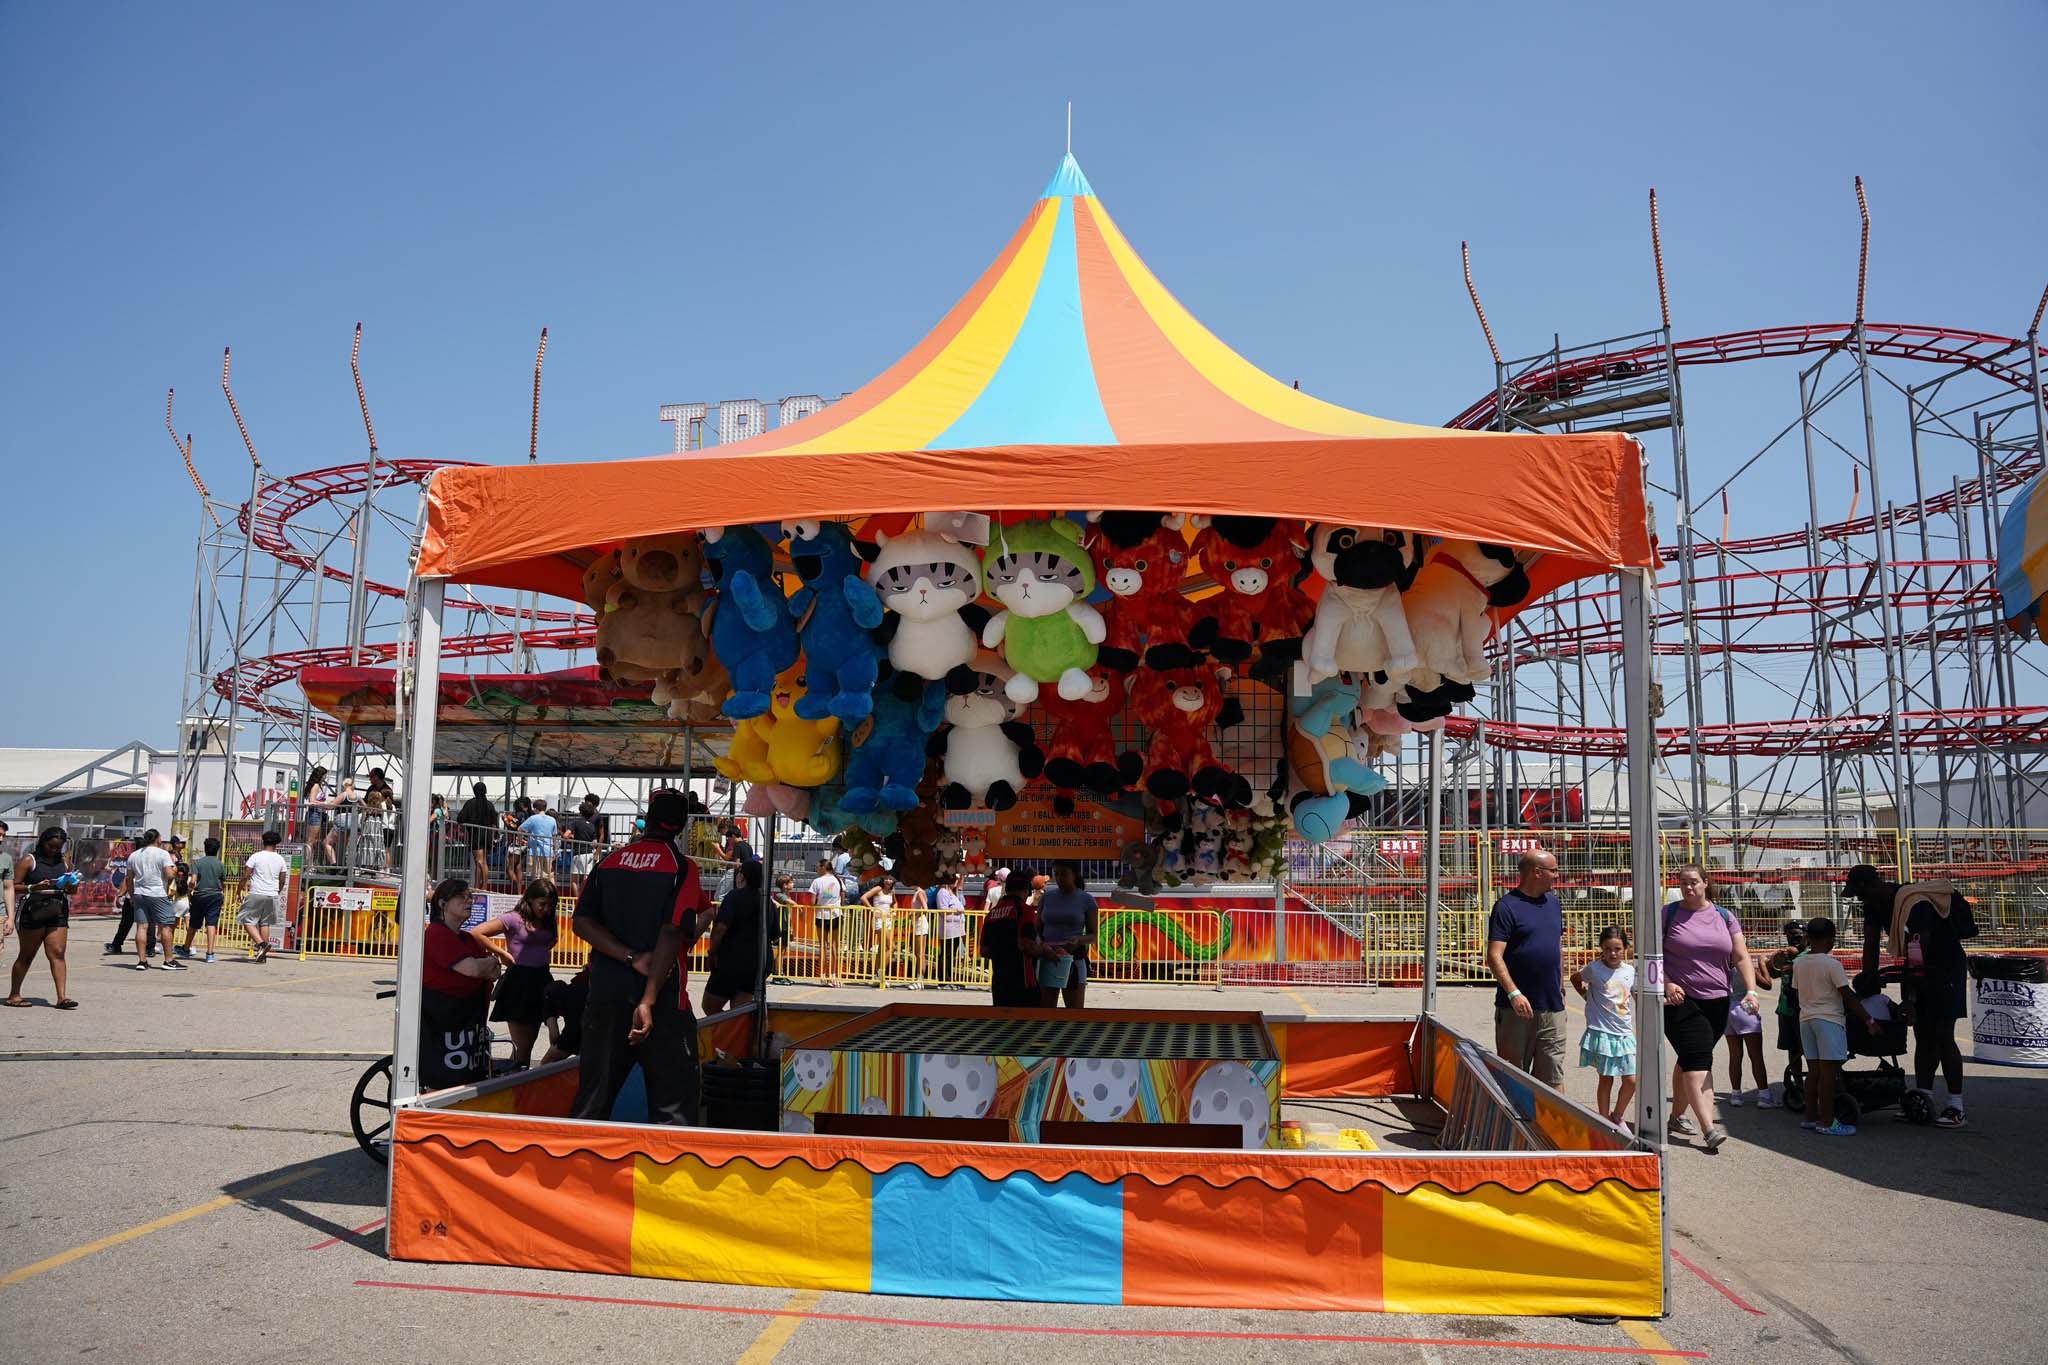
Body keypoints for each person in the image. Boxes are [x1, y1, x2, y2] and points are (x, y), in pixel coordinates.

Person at [568, 789, 711, 1126]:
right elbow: (672, 931)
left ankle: (577, 1172)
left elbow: (581, 922)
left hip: (605, 995)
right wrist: (647, 999)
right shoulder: (681, 868)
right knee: (673, 1107)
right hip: (661, 1000)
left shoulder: (609, 861)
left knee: (592, 1100)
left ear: (647, 817)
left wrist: (628, 956)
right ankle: (667, 1176)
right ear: (682, 825)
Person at [1846, 863, 1977, 1129]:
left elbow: (1919, 954)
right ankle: (1922, 1098)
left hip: (1944, 969)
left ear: (1870, 885)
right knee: (1922, 1034)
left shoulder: (1914, 904)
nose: (1859, 900)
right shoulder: (1874, 904)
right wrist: (1868, 982)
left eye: (1859, 894)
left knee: (1942, 1035)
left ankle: (1956, 1106)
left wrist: (1910, 999)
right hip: (1919, 969)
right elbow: (1870, 943)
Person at [1661, 863, 1759, 1151]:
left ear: (1705, 883)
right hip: (1680, 1000)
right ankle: (1708, 1128)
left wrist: (1751, 990)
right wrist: (1667, 982)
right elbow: (1650, 954)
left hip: (1718, 1000)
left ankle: (1677, 1117)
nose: (1687, 887)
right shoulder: (1669, 914)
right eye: (1682, 882)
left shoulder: (1724, 916)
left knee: (1690, 1057)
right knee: (1698, 1059)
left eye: (1693, 882)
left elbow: (1741, 956)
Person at [1792, 916, 1882, 1136]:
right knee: (1828, 1074)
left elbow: (1795, 992)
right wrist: (1869, 1020)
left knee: (1813, 1073)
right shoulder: (1832, 964)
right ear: (1831, 938)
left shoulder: (1799, 963)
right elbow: (1848, 996)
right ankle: (1827, 1121)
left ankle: (1810, 1117)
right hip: (1829, 1021)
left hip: (1807, 1020)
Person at [1485, 849, 1565, 1087]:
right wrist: (1514, 993)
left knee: (1553, 1076)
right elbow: (1494, 955)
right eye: (1553, 871)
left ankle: (1550, 1125)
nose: (1557, 876)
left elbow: (1556, 947)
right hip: (1516, 1010)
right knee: (1512, 1078)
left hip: (1552, 1007)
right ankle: (1514, 1124)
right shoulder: (1506, 907)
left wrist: (1559, 987)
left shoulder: (1554, 904)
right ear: (1536, 872)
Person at [420, 877, 501, 1090]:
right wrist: (484, 964)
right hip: (444, 1023)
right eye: (461, 897)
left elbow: (494, 971)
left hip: (470, 1024)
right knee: (443, 1081)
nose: (469, 901)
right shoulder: (437, 934)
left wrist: (484, 965)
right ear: (442, 904)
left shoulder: (468, 938)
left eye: (470, 897)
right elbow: (473, 969)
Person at [471, 879, 559, 1071]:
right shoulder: (514, 918)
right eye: (542, 904)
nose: (546, 909)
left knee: (528, 1045)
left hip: (542, 979)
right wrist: (502, 953)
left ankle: (515, 1078)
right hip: (520, 982)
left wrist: (537, 952)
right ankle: (514, 1085)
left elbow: (551, 941)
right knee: (523, 1049)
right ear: (530, 900)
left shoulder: (548, 920)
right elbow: (478, 932)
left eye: (550, 906)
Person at [1570, 925, 1637, 1127]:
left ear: (1625, 948)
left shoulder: (1630, 971)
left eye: (1617, 948)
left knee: (1631, 1080)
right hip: (1603, 1032)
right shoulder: (1595, 969)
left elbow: (1634, 995)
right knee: (1606, 1078)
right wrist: (1585, 995)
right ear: (1601, 949)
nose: (1612, 953)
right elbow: (1576, 978)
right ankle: (1603, 1119)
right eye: (1607, 949)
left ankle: (1617, 1115)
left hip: (1624, 1033)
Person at [6, 828, 79, 1008]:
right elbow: (13, 886)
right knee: (27, 955)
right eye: (50, 846)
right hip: (33, 910)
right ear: (42, 842)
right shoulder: (29, 860)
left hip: (57, 910)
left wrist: (71, 885)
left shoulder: (64, 862)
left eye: (58, 847)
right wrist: (33, 887)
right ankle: (14, 994)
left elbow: (71, 890)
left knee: (57, 953)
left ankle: (62, 997)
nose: (54, 850)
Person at [702, 859, 766, 1014]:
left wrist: (712, 952)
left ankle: (725, 1033)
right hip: (756, 963)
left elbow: (720, 927)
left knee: (710, 1006)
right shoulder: (766, 901)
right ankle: (734, 1034)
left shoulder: (734, 897)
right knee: (739, 1011)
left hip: (732, 960)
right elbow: (773, 933)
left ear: (742, 877)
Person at [1036, 860, 1098, 1009]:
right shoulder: (1046, 897)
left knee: (1074, 1013)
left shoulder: (1087, 900)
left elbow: (1093, 935)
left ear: (1075, 875)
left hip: (1073, 959)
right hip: (1047, 957)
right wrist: (1042, 945)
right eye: (1056, 874)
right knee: (1045, 1011)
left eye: (1064, 874)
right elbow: (1037, 930)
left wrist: (1078, 940)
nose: (1059, 878)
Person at [980, 866, 1042, 1007]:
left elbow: (984, 951)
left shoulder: (991, 914)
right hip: (1023, 983)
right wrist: (1044, 951)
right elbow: (1027, 945)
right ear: (1026, 889)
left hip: (999, 983)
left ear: (1006, 889)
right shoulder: (1024, 911)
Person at [1723, 943, 1775, 1108]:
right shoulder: (1743, 966)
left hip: (1727, 1011)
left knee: (1735, 1056)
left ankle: (1736, 1095)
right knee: (1756, 1056)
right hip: (1745, 1008)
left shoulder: (1722, 966)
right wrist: (1761, 963)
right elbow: (1767, 984)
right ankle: (1764, 1095)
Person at [123, 829, 183, 972]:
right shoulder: (163, 854)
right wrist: (174, 871)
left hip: (139, 893)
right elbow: (169, 875)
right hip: (157, 893)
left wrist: (131, 896)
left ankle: (142, 960)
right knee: (166, 926)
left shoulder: (134, 855)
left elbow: (129, 879)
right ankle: (168, 960)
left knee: (141, 927)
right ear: (157, 839)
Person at [1765, 919, 1808, 1098]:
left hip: (1804, 1011)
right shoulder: (1787, 955)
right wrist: (1773, 959)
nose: (1793, 940)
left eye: (1797, 936)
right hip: (1786, 1010)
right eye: (1790, 937)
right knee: (1792, 1048)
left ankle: (1815, 1084)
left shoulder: (1809, 956)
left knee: (1809, 1049)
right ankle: (1798, 1084)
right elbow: (1773, 973)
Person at [238, 829, 291, 963]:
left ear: (263, 841)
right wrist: (277, 890)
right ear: (276, 844)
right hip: (272, 894)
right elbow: (283, 878)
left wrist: (239, 890)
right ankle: (262, 955)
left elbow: (246, 875)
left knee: (246, 920)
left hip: (256, 892)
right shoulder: (280, 859)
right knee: (265, 922)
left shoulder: (256, 856)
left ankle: (261, 944)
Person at [177, 837, 229, 963]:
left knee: (194, 924)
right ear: (217, 850)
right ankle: (210, 954)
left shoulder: (198, 863)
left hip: (200, 896)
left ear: (205, 849)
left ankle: (186, 948)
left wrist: (189, 892)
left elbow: (193, 881)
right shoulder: (220, 864)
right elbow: (222, 881)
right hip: (215, 895)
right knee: (211, 924)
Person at [808, 855, 844, 986]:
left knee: (823, 945)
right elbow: (842, 898)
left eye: (817, 867)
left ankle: (823, 975)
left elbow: (812, 902)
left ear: (823, 867)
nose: (817, 869)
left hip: (821, 915)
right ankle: (833, 975)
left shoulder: (817, 881)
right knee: (835, 946)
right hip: (836, 913)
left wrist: (820, 903)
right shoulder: (838, 880)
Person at [455, 782, 498, 888]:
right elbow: (494, 820)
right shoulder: (489, 804)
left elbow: (460, 818)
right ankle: (477, 886)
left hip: (475, 834)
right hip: (487, 835)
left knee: (479, 862)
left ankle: (483, 887)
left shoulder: (470, 803)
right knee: (482, 862)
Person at [861, 874, 899, 987]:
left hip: (888, 920)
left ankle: (876, 975)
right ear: (883, 880)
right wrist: (872, 909)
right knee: (891, 947)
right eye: (886, 878)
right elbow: (864, 898)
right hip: (879, 920)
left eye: (890, 879)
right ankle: (880, 973)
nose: (888, 881)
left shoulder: (893, 891)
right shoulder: (878, 889)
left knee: (882, 948)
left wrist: (894, 911)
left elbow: (895, 902)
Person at [934, 871, 969, 989]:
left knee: (951, 954)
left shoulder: (952, 893)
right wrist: (956, 911)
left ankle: (949, 977)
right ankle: (943, 980)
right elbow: (943, 910)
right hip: (948, 929)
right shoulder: (943, 893)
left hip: (956, 928)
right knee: (946, 954)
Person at [565, 800, 601, 895]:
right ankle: (583, 900)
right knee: (586, 880)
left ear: (580, 812)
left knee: (574, 880)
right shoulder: (592, 826)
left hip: (579, 853)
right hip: (590, 854)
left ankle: (577, 902)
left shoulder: (575, 822)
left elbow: (566, 835)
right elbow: (594, 843)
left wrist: (572, 839)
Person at [302, 764, 336, 864]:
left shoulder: (316, 785)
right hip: (315, 814)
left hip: (316, 814)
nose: (325, 778)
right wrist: (324, 804)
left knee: (313, 841)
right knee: (311, 841)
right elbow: (312, 800)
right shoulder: (316, 786)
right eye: (324, 775)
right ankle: (308, 864)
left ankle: (309, 863)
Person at [519, 799, 558, 885]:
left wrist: (520, 840)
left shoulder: (533, 818)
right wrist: (555, 851)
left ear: (536, 808)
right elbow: (554, 837)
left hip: (535, 850)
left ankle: (537, 895)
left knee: (536, 876)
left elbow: (520, 829)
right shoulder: (552, 820)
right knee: (548, 876)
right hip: (548, 850)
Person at [769, 873, 797, 981]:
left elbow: (788, 913)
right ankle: (777, 974)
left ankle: (780, 972)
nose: (793, 884)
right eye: (790, 882)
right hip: (780, 927)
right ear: (784, 885)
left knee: (783, 950)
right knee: (780, 950)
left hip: (785, 927)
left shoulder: (786, 895)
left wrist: (791, 926)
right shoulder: (780, 895)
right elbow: (791, 903)